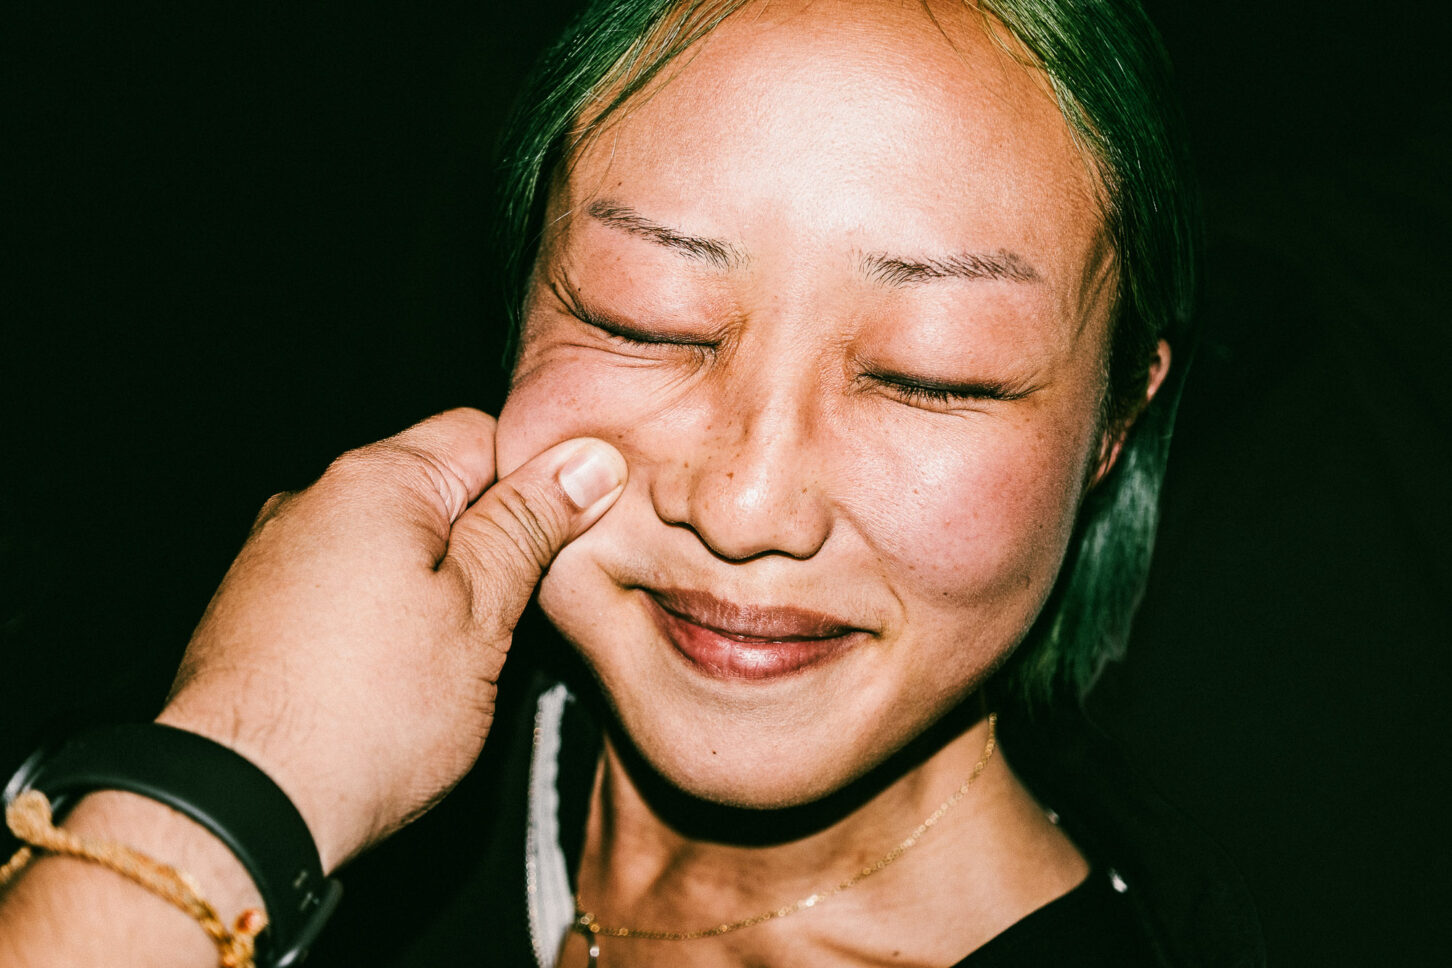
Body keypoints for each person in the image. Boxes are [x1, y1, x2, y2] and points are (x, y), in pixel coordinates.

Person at [0, 1, 1263, 965]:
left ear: (1117, 415)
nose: (746, 503)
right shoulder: (184, 699)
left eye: (932, 377)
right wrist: (246, 769)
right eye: (645, 318)